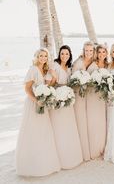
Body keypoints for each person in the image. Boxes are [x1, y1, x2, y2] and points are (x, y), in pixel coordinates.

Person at [16, 48, 60, 176]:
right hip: (33, 103)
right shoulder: (33, 69)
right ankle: (30, 163)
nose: (43, 58)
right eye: (41, 56)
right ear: (36, 57)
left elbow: (49, 87)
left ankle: (43, 160)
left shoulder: (46, 69)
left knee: (43, 131)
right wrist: (36, 100)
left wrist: (54, 77)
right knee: (32, 131)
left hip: (43, 104)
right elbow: (27, 89)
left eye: (45, 56)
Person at [47, 45, 83, 169]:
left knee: (67, 126)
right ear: (59, 54)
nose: (64, 56)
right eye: (62, 53)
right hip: (57, 97)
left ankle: (68, 154)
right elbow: (49, 85)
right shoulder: (54, 66)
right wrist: (55, 79)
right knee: (58, 126)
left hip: (67, 97)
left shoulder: (69, 67)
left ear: (69, 55)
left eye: (67, 54)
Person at [72, 41, 95, 161]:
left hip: (90, 95)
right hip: (79, 94)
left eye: (91, 50)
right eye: (87, 50)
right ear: (83, 50)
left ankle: (90, 148)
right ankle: (82, 151)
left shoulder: (93, 62)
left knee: (88, 121)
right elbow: (72, 79)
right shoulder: (78, 62)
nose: (89, 52)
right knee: (80, 120)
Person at [87, 44, 108, 159]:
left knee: (103, 122)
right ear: (96, 53)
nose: (101, 54)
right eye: (99, 52)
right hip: (94, 98)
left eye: (103, 52)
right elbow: (88, 82)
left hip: (104, 98)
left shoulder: (107, 65)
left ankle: (103, 147)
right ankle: (95, 149)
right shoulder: (93, 66)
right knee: (95, 122)